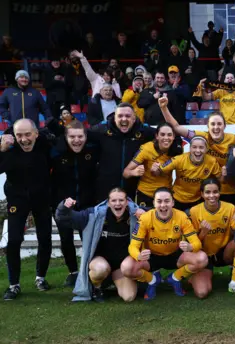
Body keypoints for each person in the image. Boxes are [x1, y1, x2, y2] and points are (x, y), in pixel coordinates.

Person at [55, 188, 141, 302]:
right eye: (114, 200)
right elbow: (62, 218)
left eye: (121, 200)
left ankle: (112, 281)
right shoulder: (94, 214)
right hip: (100, 261)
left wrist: (147, 214)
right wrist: (64, 206)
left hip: (121, 267)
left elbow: (158, 214)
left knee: (129, 297)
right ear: (108, 203)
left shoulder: (135, 214)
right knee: (101, 269)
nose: (117, 203)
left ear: (127, 202)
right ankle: (97, 286)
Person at [0, 119, 55, 300]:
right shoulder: (8, 151)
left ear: (36, 134)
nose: (24, 139)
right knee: (14, 240)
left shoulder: (44, 145)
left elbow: (62, 135)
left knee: (45, 238)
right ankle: (14, 285)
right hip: (17, 199)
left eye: (28, 134)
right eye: (19, 135)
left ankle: (41, 277)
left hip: (42, 198)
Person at [121, 188, 207, 301]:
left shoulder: (181, 217)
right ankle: (152, 280)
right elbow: (133, 246)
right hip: (151, 256)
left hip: (175, 255)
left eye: (167, 201)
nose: (163, 205)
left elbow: (197, 243)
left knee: (202, 258)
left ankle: (175, 278)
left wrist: (191, 247)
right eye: (159, 201)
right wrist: (138, 256)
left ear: (172, 203)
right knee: (127, 267)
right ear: (154, 203)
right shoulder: (145, 218)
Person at [162, 99, 235, 206]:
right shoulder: (201, 137)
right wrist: (163, 108)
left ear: (224, 126)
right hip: (207, 193)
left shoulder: (234, 139)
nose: (216, 127)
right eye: (212, 124)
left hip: (229, 190)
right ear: (208, 126)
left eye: (219, 124)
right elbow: (176, 128)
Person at [50, 121, 99, 287]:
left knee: (88, 238)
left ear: (86, 136)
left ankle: (89, 269)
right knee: (66, 239)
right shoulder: (56, 152)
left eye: (80, 136)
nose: (76, 140)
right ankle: (73, 272)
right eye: (72, 136)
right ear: (65, 137)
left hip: (86, 202)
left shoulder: (92, 149)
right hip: (63, 203)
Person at [86, 103, 165, 201]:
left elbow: (167, 135)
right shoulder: (102, 129)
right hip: (105, 189)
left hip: (133, 189)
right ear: (114, 117)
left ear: (134, 118)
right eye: (120, 116)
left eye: (128, 116)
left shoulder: (144, 131)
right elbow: (81, 134)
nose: (124, 119)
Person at [187, 178, 235, 298]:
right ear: (202, 194)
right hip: (204, 255)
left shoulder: (229, 208)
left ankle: (234, 282)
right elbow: (193, 245)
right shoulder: (194, 211)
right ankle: (195, 276)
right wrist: (203, 232)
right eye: (208, 192)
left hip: (224, 252)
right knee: (202, 293)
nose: (212, 196)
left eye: (215, 192)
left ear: (220, 193)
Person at [123, 123, 182, 208]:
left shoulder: (177, 151)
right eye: (162, 134)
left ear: (173, 137)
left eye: (169, 135)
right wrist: (134, 172)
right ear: (156, 136)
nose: (166, 138)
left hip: (165, 195)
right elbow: (125, 173)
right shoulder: (147, 148)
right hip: (146, 194)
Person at [158, 136, 222, 211]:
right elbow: (160, 170)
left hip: (197, 200)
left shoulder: (212, 161)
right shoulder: (179, 159)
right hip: (177, 198)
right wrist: (155, 169)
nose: (198, 150)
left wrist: (224, 174)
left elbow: (220, 179)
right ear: (190, 148)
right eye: (194, 147)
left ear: (206, 149)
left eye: (201, 147)